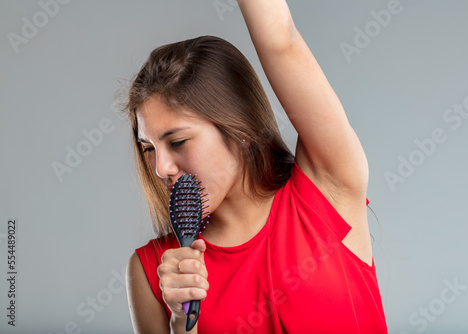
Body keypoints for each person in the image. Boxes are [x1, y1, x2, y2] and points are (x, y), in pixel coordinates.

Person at [124, 1, 388, 333]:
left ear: (240, 132)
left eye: (177, 142)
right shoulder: (152, 272)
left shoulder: (326, 187)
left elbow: (283, 40)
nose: (161, 167)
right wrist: (181, 323)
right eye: (148, 148)